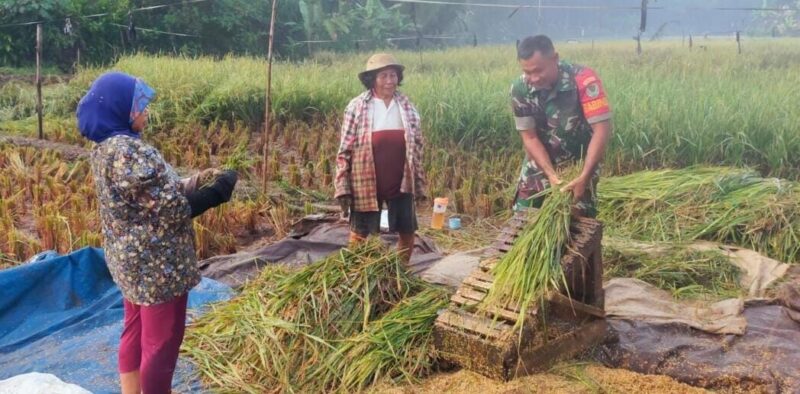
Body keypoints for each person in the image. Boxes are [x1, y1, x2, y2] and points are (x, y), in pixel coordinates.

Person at [76, 72, 236, 394]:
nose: (145, 111)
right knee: (162, 343)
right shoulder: (129, 152)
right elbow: (171, 208)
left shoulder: (106, 148)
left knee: (134, 329)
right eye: (139, 106)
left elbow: (151, 193)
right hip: (157, 266)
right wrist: (215, 192)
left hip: (130, 262)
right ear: (120, 108)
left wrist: (197, 180)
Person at [334, 53, 427, 263]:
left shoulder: (406, 106)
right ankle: (353, 271)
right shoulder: (357, 106)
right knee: (359, 233)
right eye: (383, 76)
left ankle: (401, 271)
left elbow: (418, 145)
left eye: (393, 75)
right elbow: (345, 149)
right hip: (365, 182)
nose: (389, 81)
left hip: (401, 181)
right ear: (372, 79)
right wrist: (342, 184)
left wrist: (418, 179)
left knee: (407, 231)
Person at [510, 35, 613, 217]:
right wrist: (551, 175)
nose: (533, 78)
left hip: (579, 166)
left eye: (538, 70)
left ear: (555, 59)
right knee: (522, 218)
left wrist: (584, 176)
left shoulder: (584, 80)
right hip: (540, 163)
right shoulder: (520, 88)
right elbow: (530, 137)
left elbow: (602, 130)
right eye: (527, 72)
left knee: (576, 222)